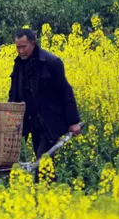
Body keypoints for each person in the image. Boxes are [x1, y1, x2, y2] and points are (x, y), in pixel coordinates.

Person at [8, 28, 81, 158]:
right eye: (17, 47)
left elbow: (65, 91)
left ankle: (40, 178)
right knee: (44, 163)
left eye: (24, 47)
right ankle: (46, 179)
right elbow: (14, 92)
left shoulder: (51, 63)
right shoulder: (18, 64)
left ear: (33, 43)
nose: (21, 51)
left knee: (42, 160)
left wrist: (73, 121)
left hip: (49, 121)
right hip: (31, 122)